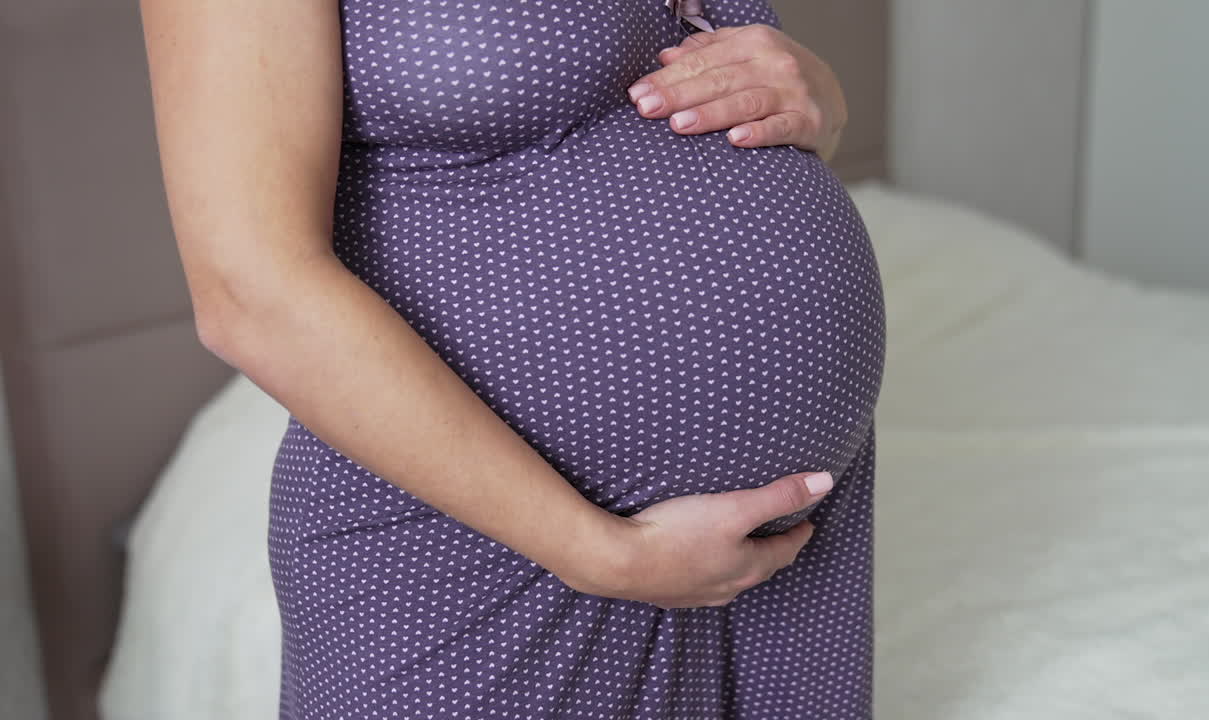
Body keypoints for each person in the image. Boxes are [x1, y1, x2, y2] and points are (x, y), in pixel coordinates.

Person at [138, 0, 885, 717]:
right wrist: (603, 554)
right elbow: (249, 290)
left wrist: (818, 100)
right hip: (483, 548)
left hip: (787, 553)